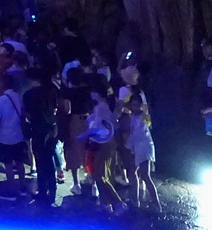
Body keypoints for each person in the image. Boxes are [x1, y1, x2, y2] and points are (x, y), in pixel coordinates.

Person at [117, 59, 159, 210]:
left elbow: (137, 135)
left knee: (142, 175)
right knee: (136, 174)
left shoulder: (139, 118)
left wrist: (128, 145)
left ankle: (153, 202)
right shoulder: (141, 96)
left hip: (140, 147)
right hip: (141, 147)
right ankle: (137, 200)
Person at [82, 80, 128, 214]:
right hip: (108, 142)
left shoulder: (100, 107)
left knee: (100, 176)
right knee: (105, 174)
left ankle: (118, 203)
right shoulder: (105, 106)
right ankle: (106, 203)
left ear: (97, 93)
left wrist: (85, 135)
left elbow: (97, 127)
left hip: (103, 143)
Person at [23, 62, 61, 209]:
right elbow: (56, 109)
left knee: (40, 160)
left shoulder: (29, 95)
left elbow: (27, 114)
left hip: (38, 129)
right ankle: (52, 191)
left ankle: (42, 191)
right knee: (49, 159)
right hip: (52, 128)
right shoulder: (52, 90)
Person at [0, 74, 28, 199]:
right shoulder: (17, 96)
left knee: (8, 164)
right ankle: (22, 187)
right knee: (19, 162)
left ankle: (11, 191)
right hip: (18, 134)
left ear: (2, 84)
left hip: (4, 136)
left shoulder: (0, 100)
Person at [61, 66, 92, 192]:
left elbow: (67, 110)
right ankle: (93, 182)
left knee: (73, 150)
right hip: (89, 121)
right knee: (89, 150)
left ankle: (76, 184)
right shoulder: (88, 90)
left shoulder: (68, 92)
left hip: (74, 121)